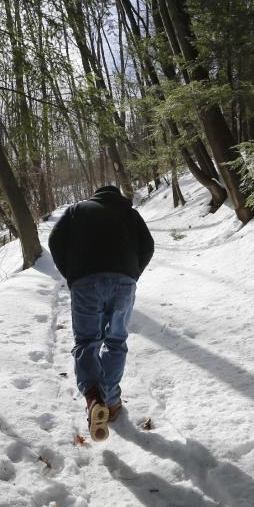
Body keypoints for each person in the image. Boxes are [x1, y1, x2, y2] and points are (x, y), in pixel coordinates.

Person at [47, 184, 155, 441]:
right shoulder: (131, 214)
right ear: (118, 197)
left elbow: (54, 241)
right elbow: (148, 246)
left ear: (95, 195)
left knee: (86, 342)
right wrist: (131, 274)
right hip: (124, 283)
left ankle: (94, 399)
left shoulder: (76, 210)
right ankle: (112, 402)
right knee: (116, 341)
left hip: (86, 282)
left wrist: (72, 274)